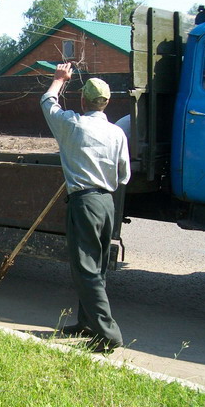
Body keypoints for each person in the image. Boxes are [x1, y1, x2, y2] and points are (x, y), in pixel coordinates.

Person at [40, 62, 130, 353]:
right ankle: (87, 323)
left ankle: (108, 334)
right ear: (107, 103)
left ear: (82, 100)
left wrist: (59, 79)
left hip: (85, 203)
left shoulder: (72, 125)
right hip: (107, 202)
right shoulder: (117, 133)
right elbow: (124, 174)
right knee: (98, 267)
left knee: (86, 269)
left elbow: (47, 102)